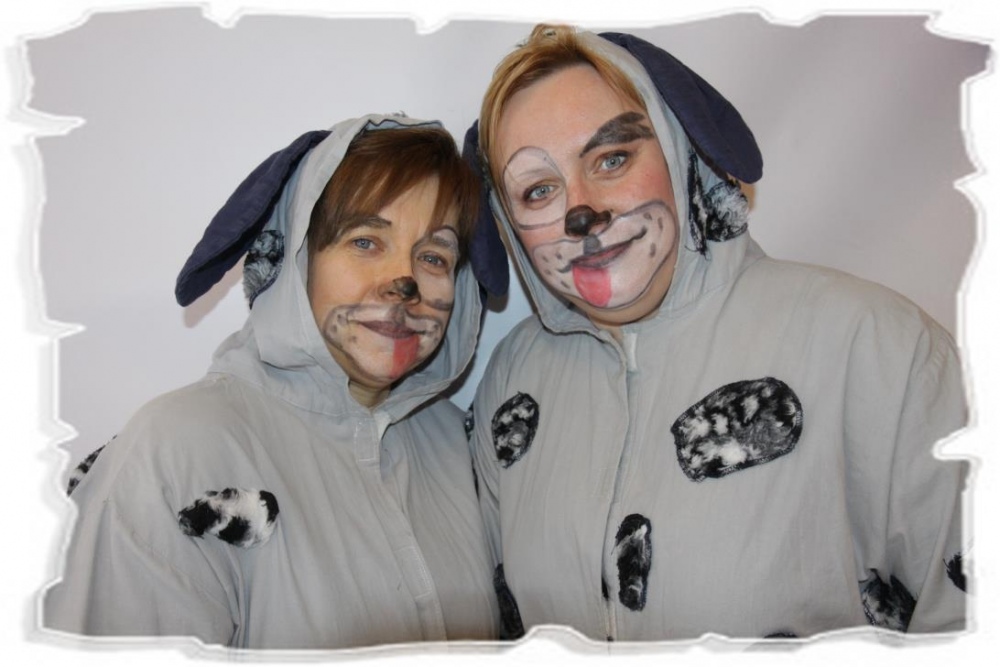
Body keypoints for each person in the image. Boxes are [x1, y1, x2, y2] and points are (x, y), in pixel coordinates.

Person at [466, 24, 969, 641]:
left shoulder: (876, 349)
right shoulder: (512, 382)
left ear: (679, 152)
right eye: (539, 190)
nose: (582, 210)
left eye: (613, 159)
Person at [44, 114, 504, 649]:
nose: (403, 282)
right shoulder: (177, 451)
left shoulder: (457, 445)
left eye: (433, 256)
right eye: (364, 242)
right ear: (298, 258)